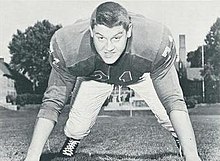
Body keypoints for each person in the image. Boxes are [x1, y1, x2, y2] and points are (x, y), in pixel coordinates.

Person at [24, 2, 201, 161]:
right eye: (101, 37)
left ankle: (182, 142)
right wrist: (32, 157)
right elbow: (52, 103)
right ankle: (73, 140)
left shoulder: (154, 42)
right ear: (91, 31)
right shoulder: (68, 46)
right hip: (95, 76)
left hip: (139, 73)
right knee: (77, 127)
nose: (108, 47)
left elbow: (173, 99)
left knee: (168, 115)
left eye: (116, 37)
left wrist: (192, 155)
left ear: (129, 31)